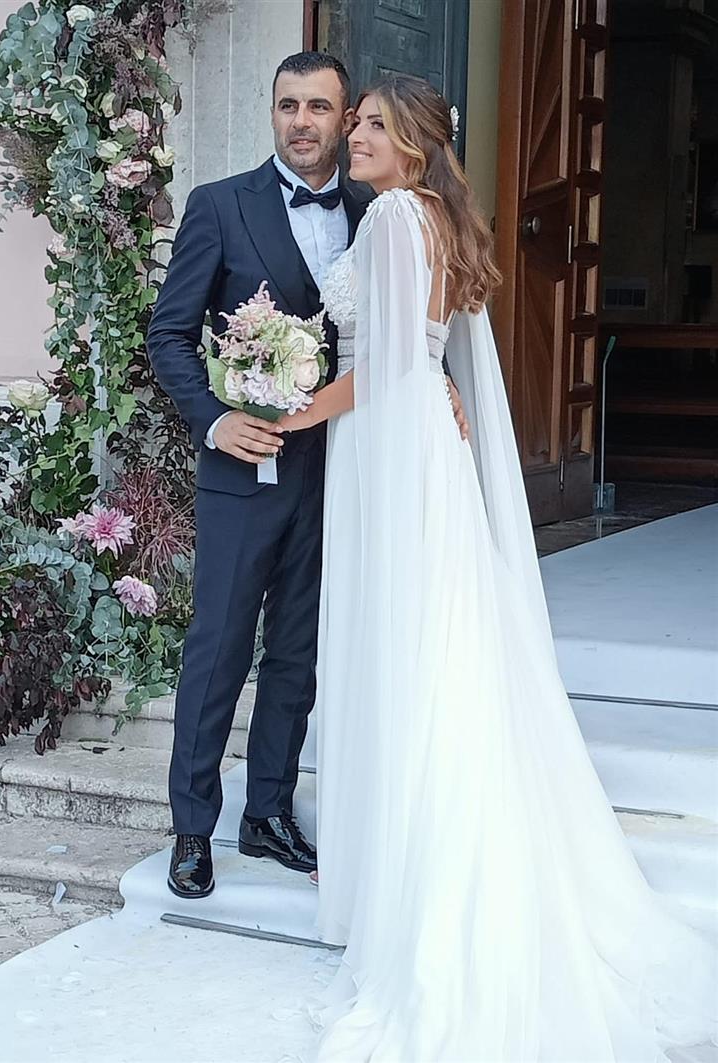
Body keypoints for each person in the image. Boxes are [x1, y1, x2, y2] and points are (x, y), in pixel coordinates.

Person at [280, 74, 717, 1062]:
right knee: (435, 650)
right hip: (414, 442)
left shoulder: (392, 215)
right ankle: (399, 863)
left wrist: (291, 411)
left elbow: (385, 363)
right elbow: (421, 350)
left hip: (390, 451)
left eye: (373, 125)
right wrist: (424, 383)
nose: (353, 136)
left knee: (404, 651)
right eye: (356, 122)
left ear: (414, 144)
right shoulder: (433, 216)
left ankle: (411, 884)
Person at [147, 52, 470, 900]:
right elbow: (169, 335)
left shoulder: (379, 205)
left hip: (342, 469)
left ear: (345, 117)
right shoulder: (220, 205)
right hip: (241, 467)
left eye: (320, 107)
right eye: (287, 104)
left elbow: (401, 329)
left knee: (299, 651)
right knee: (219, 647)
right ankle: (193, 827)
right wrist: (215, 418)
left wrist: (437, 376)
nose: (303, 121)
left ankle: (269, 811)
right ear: (273, 112)